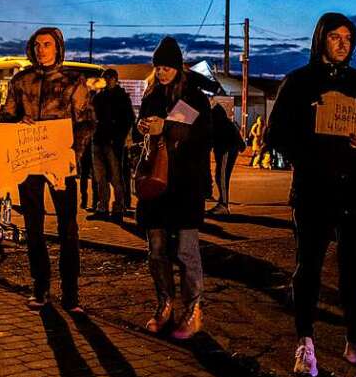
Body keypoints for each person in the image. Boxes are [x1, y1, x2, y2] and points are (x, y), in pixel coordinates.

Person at [265, 12, 356, 377]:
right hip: (314, 191)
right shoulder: (299, 82)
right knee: (308, 269)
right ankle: (305, 342)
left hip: (354, 193)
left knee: (354, 270)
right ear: (320, 38)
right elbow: (275, 136)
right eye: (335, 37)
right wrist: (314, 132)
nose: (342, 44)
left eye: (348, 39)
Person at [0, 27, 93, 311]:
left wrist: (71, 156)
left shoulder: (73, 81)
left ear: (58, 48)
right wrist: (16, 124)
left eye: (47, 44)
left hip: (60, 164)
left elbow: (87, 123)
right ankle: (39, 287)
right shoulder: (21, 81)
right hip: (28, 162)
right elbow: (6, 115)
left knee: (68, 228)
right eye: (37, 44)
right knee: (33, 227)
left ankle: (71, 293)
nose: (42, 49)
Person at [136, 36, 211, 340]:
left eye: (168, 66)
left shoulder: (194, 96)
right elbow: (141, 129)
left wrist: (164, 127)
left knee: (185, 249)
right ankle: (164, 303)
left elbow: (200, 136)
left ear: (178, 67)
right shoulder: (151, 94)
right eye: (159, 67)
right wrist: (141, 127)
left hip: (185, 185)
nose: (163, 72)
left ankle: (193, 307)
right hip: (155, 182)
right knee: (156, 250)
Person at [91, 68, 135, 222]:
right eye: (106, 78)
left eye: (110, 78)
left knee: (116, 177)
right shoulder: (100, 97)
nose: (108, 81)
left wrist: (119, 137)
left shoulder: (121, 97)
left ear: (115, 79)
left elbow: (128, 119)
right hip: (99, 139)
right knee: (101, 177)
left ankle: (118, 208)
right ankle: (102, 207)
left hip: (112, 142)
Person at [208, 103, 245, 216]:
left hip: (226, 151)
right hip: (227, 150)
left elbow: (212, 138)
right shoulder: (224, 121)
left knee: (222, 177)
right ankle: (222, 203)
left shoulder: (218, 122)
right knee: (220, 176)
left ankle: (224, 205)